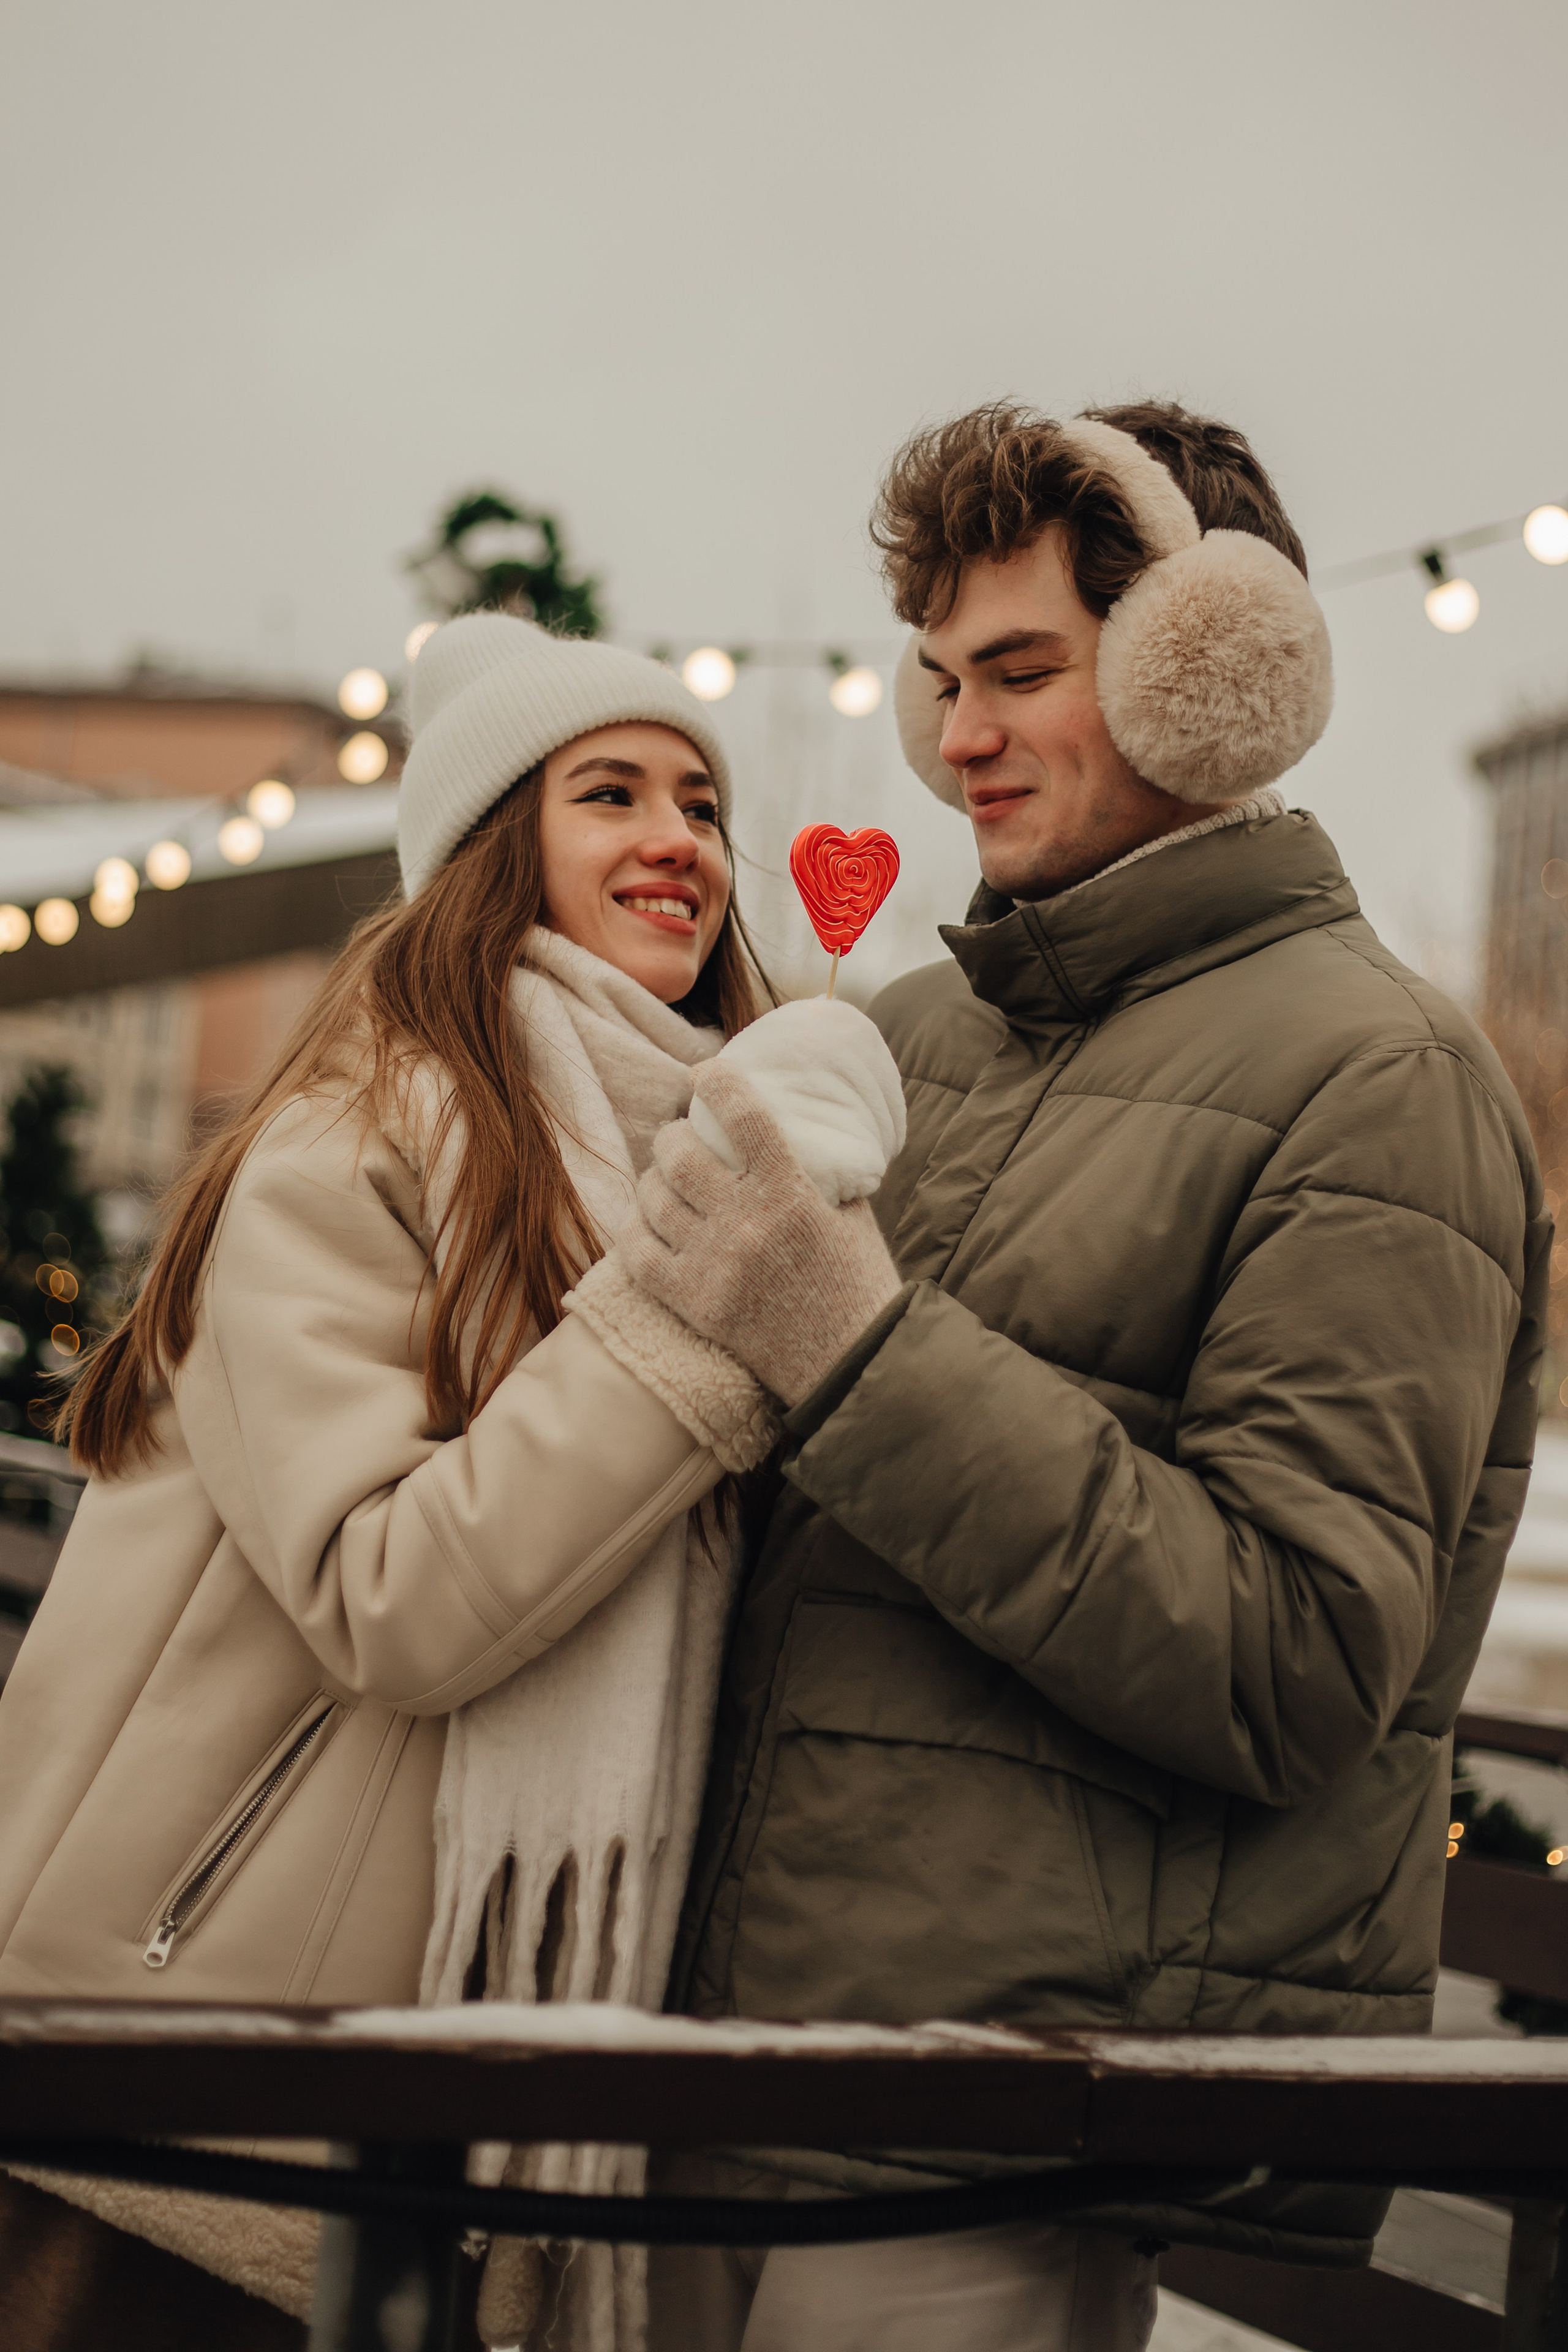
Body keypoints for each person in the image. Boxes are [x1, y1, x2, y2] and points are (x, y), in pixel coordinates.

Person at [615, 402, 1550, 2352]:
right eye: (942, 679)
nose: (958, 735)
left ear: (1215, 672)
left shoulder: (1383, 1081)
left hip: (1019, 2122)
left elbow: (1298, 1654)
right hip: (716, 2051)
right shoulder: (913, 1032)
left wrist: (854, 1349)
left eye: (1022, 672)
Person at [0, 611, 901, 2352]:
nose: (680, 839)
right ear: (496, 850)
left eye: (703, 803)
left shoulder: (697, 1167)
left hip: (464, 2115)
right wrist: (701, 1309)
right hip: (189, 2098)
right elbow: (394, 1597)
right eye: (611, 793)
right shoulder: (350, 1144)